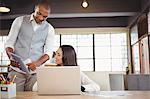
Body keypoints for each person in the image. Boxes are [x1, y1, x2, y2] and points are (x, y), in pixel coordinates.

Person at [5, 0, 55, 91]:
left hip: (35, 73)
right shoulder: (19, 21)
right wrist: (11, 58)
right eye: (38, 13)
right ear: (35, 9)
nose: (41, 18)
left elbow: (49, 52)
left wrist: (37, 63)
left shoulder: (50, 29)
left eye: (45, 16)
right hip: (17, 70)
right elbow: (9, 44)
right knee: (13, 96)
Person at [33, 45, 100, 92]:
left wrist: (80, 88)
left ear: (66, 57)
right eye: (55, 54)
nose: (55, 57)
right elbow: (34, 88)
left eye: (58, 55)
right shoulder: (50, 70)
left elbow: (96, 87)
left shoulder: (76, 71)